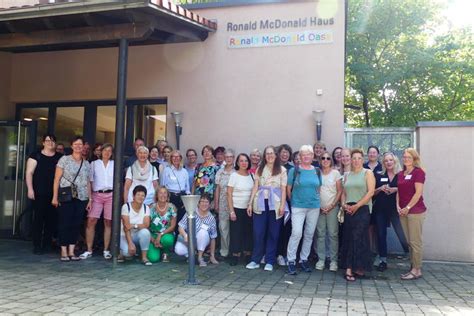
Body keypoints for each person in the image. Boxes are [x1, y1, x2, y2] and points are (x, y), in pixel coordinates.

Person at [246, 146, 287, 272]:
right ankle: (256, 259)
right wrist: (249, 203)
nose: (269, 156)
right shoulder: (260, 168)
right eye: (267, 153)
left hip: (275, 203)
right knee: (258, 232)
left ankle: (269, 260)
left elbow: (284, 189)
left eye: (271, 153)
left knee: (273, 233)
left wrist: (282, 206)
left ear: (276, 155)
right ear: (265, 156)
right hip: (260, 203)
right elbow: (255, 187)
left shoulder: (282, 170)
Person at [52, 136, 91, 262]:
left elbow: (88, 182)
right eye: (76, 144)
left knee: (76, 224)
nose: (78, 146)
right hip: (66, 195)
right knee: (65, 223)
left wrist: (90, 198)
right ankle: (63, 251)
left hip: (81, 197)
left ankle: (71, 251)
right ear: (72, 146)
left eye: (80, 144)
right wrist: (54, 196)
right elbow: (56, 179)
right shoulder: (64, 160)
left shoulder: (86, 163)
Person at [340, 149, 375, 281]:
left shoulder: (368, 173)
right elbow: (343, 192)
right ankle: (349, 268)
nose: (356, 160)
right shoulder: (347, 175)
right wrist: (344, 205)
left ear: (363, 159)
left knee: (359, 237)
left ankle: (358, 267)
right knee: (349, 237)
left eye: (359, 158)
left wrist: (357, 205)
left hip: (362, 209)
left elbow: (370, 192)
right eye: (354, 158)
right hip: (349, 209)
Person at [286, 145, 321, 275]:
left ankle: (303, 259)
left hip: (314, 207)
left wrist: (316, 199)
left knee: (309, 234)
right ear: (300, 157)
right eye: (303, 154)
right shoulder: (293, 171)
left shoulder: (317, 170)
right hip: (298, 206)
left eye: (309, 154)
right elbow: (288, 189)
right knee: (296, 233)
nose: (306, 156)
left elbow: (318, 187)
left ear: (312, 156)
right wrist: (294, 201)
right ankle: (291, 260)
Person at [26, 134, 62, 254]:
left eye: (52, 141)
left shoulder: (60, 157)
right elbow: (29, 173)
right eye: (47, 141)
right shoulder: (35, 155)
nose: (50, 143)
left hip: (54, 194)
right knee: (38, 219)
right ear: (43, 143)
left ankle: (47, 244)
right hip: (39, 192)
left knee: (51, 220)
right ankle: (37, 245)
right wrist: (30, 189)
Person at [373, 152, 409, 271]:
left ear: (395, 161)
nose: (388, 162)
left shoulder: (401, 175)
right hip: (380, 209)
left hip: (396, 209)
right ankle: (383, 260)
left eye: (390, 160)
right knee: (381, 234)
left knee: (402, 233)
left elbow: (408, 190)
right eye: (386, 161)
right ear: (383, 163)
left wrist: (395, 189)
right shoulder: (379, 175)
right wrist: (380, 188)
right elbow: (372, 192)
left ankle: (411, 256)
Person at [79, 143, 114, 260]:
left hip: (111, 194)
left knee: (108, 222)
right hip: (97, 195)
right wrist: (90, 198)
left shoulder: (114, 164)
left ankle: (106, 250)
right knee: (91, 221)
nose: (107, 153)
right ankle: (89, 250)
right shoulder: (93, 164)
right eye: (105, 150)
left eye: (109, 151)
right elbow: (90, 182)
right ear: (100, 152)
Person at [397, 148, 426, 280]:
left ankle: (416, 270)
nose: (406, 159)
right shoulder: (401, 173)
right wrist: (398, 206)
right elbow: (398, 191)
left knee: (415, 241)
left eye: (409, 157)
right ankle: (413, 267)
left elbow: (418, 193)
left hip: (415, 211)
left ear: (414, 158)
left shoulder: (418, 173)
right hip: (403, 211)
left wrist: (408, 207)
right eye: (404, 157)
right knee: (409, 241)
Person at [315, 151, 342, 271]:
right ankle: (321, 259)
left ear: (331, 161)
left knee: (333, 234)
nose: (325, 160)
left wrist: (331, 206)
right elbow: (315, 190)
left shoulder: (335, 173)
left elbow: (340, 191)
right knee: (320, 234)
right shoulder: (316, 173)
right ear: (320, 160)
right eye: (323, 158)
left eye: (328, 158)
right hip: (318, 208)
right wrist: (319, 206)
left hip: (332, 208)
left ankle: (333, 261)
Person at [175, 193, 219, 266]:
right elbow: (180, 226)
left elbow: (213, 238)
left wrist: (212, 256)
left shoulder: (211, 218)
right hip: (188, 240)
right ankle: (190, 256)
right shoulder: (191, 212)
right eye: (202, 201)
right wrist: (185, 235)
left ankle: (200, 257)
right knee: (178, 250)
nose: (204, 204)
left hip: (203, 240)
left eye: (206, 202)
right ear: (198, 203)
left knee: (203, 232)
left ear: (209, 204)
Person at [227, 153, 254, 266]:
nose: (244, 163)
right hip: (236, 208)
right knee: (235, 233)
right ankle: (235, 255)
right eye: (241, 161)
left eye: (246, 161)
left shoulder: (251, 176)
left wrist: (250, 205)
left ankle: (247, 254)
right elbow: (229, 193)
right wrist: (231, 211)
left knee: (248, 233)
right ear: (237, 163)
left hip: (248, 209)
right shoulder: (234, 175)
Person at [119, 185, 152, 265]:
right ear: (133, 196)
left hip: (137, 234)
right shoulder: (126, 207)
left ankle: (144, 257)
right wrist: (130, 243)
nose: (140, 197)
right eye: (138, 195)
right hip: (125, 235)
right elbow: (126, 227)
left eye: (143, 195)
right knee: (127, 253)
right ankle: (123, 251)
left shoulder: (146, 208)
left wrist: (134, 225)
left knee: (145, 232)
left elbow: (146, 224)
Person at [160, 150, 190, 233]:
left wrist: (187, 200)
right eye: (174, 156)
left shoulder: (184, 171)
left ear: (181, 158)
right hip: (171, 197)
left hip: (182, 197)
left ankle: (178, 239)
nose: (176, 158)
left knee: (180, 220)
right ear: (171, 158)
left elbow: (187, 188)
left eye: (178, 157)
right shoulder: (167, 170)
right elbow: (163, 186)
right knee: (169, 219)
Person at [214, 149, 235, 258]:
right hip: (222, 203)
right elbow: (217, 188)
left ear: (234, 158)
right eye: (227, 157)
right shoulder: (220, 172)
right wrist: (216, 203)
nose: (229, 159)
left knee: (234, 229)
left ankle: (234, 251)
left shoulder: (237, 172)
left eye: (231, 157)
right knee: (223, 228)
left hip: (234, 204)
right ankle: (224, 251)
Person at [147, 187, 177, 263]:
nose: (163, 195)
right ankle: (157, 248)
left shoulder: (172, 207)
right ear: (157, 195)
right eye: (160, 193)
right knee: (153, 259)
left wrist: (160, 235)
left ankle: (165, 252)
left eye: (165, 193)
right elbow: (146, 225)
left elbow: (173, 226)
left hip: (166, 234)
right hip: (153, 235)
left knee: (168, 240)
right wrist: (152, 239)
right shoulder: (151, 207)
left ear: (167, 195)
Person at [276, 144, 294, 266]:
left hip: (289, 202)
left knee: (287, 229)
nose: (285, 154)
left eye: (287, 152)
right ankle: (276, 254)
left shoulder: (292, 169)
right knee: (276, 229)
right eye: (283, 152)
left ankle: (284, 254)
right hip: (275, 201)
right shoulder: (274, 167)